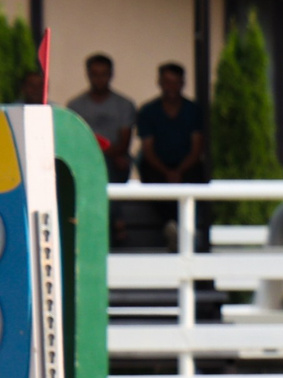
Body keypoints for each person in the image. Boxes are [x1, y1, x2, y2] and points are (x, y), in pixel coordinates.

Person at [137, 61, 207, 249]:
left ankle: (186, 230)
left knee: (196, 175)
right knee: (151, 175)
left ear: (183, 83)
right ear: (159, 82)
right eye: (167, 82)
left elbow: (197, 148)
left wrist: (178, 171)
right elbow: (148, 149)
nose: (171, 87)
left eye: (175, 82)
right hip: (158, 167)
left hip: (186, 166)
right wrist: (167, 172)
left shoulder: (193, 110)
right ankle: (170, 226)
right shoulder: (148, 111)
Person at [66, 52, 136, 182]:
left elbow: (124, 143)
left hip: (115, 157)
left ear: (111, 75)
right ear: (88, 74)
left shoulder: (124, 104)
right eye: (95, 74)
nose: (99, 79)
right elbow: (74, 140)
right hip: (85, 157)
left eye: (104, 74)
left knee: (119, 162)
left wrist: (106, 153)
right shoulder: (75, 105)